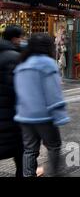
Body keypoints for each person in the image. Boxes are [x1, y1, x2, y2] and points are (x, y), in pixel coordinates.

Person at [14, 33, 70, 177]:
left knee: (29, 149)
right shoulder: (47, 63)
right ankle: (54, 173)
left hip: (24, 115)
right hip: (43, 116)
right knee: (54, 146)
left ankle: (27, 175)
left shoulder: (22, 64)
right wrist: (60, 115)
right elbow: (53, 93)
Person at [0, 25, 25, 177]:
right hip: (11, 115)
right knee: (21, 152)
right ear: (15, 38)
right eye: (20, 37)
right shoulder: (14, 58)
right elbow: (19, 89)